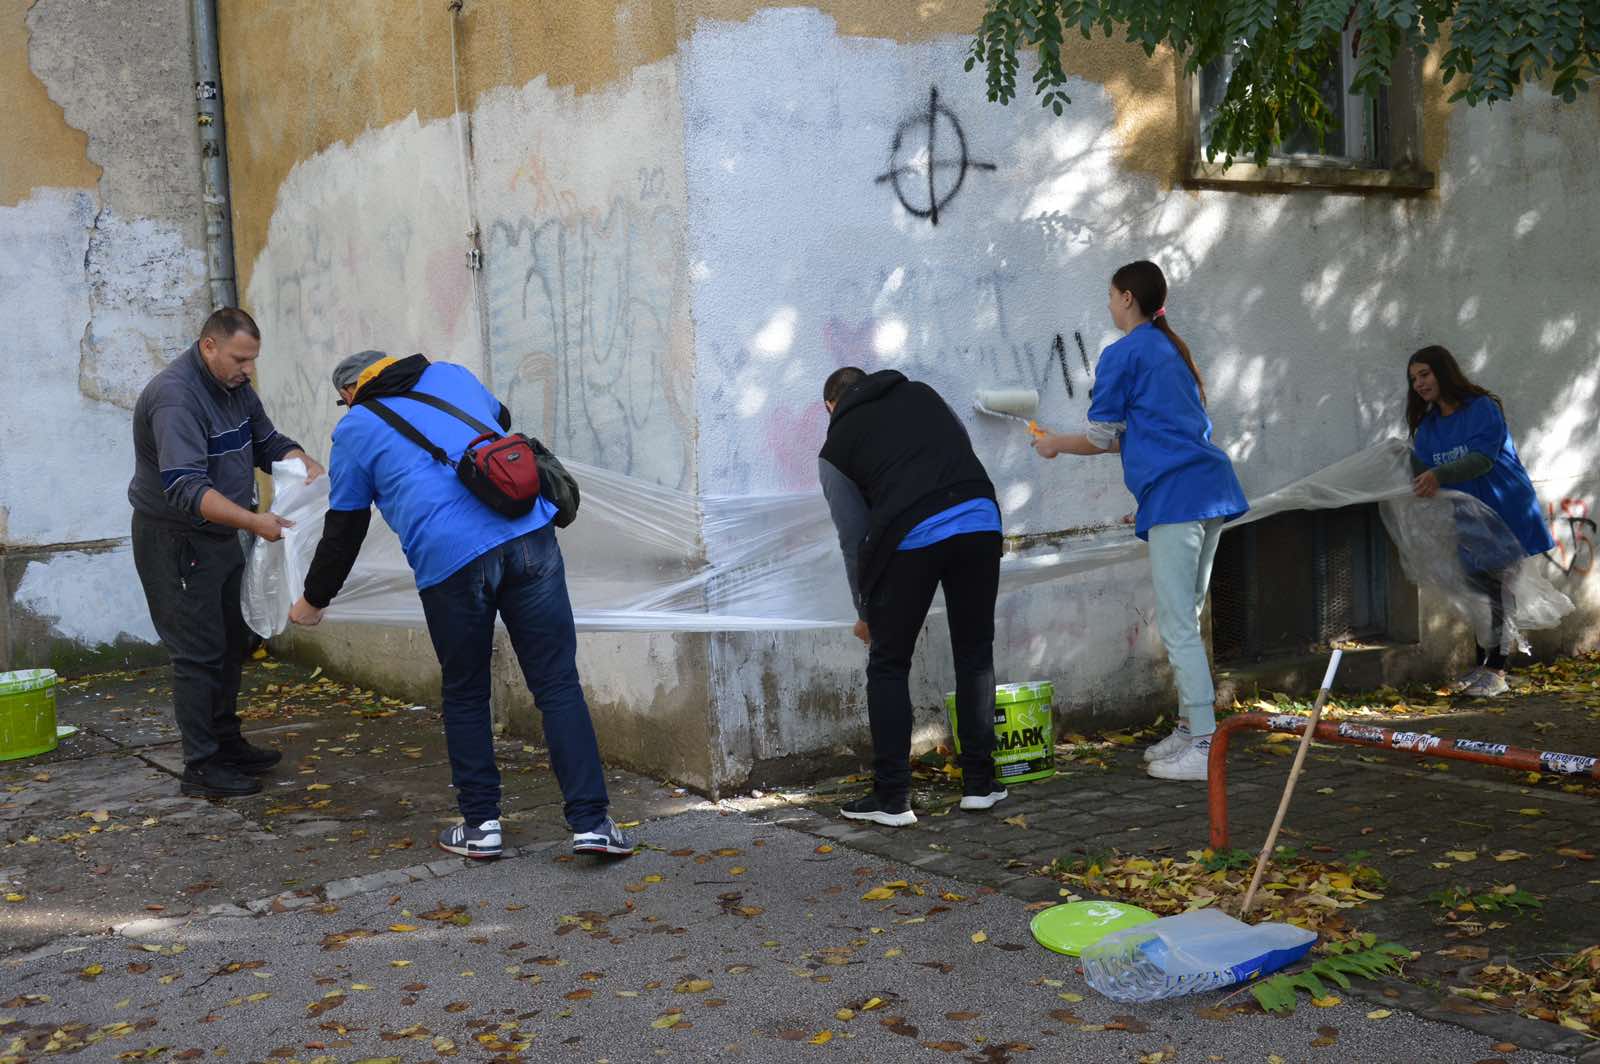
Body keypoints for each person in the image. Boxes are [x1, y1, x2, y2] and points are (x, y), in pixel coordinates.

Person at [286, 350, 634, 860]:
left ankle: (482, 828)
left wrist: (313, 600)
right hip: (528, 535)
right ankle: (592, 824)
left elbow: (345, 527)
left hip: (451, 563)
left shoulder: (356, 428)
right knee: (557, 683)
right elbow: (501, 419)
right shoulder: (449, 374)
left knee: (467, 693)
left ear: (351, 393)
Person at [1032, 261, 1247, 782]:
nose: (1108, 306)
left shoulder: (1123, 353)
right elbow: (1167, 429)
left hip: (1179, 497)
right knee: (1188, 617)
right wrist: (1151, 496)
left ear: (1128, 298)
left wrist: (1054, 444)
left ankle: (1202, 744)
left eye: (1110, 296)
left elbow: (1104, 436)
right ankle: (1190, 725)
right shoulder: (1172, 347)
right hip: (1206, 490)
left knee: (1177, 624)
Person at [129, 307, 324, 799]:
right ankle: (201, 766)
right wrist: (257, 522)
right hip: (177, 540)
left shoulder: (235, 388)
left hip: (222, 535)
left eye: (253, 359)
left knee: (233, 640)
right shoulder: (176, 399)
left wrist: (299, 459)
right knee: (197, 654)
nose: (248, 369)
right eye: (240, 358)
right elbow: (185, 487)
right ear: (209, 346)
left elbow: (266, 441)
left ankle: (226, 742)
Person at [818, 367, 1006, 827]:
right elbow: (960, 447)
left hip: (911, 535)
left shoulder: (835, 446)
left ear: (829, 407)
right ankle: (980, 785)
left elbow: (854, 537)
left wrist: (865, 611)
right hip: (980, 517)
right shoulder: (923, 392)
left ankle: (892, 797)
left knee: (888, 662)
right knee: (975, 653)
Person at [1406, 345, 1554, 697]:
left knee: (1499, 587)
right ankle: (1485, 664)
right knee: (1478, 589)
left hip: (1505, 510)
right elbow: (1422, 469)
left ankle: (1498, 670)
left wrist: (1439, 475)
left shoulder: (1481, 409)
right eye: (1413, 379)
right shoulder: (1428, 427)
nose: (1419, 384)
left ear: (1444, 371)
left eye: (1424, 374)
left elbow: (1482, 459)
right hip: (1468, 517)